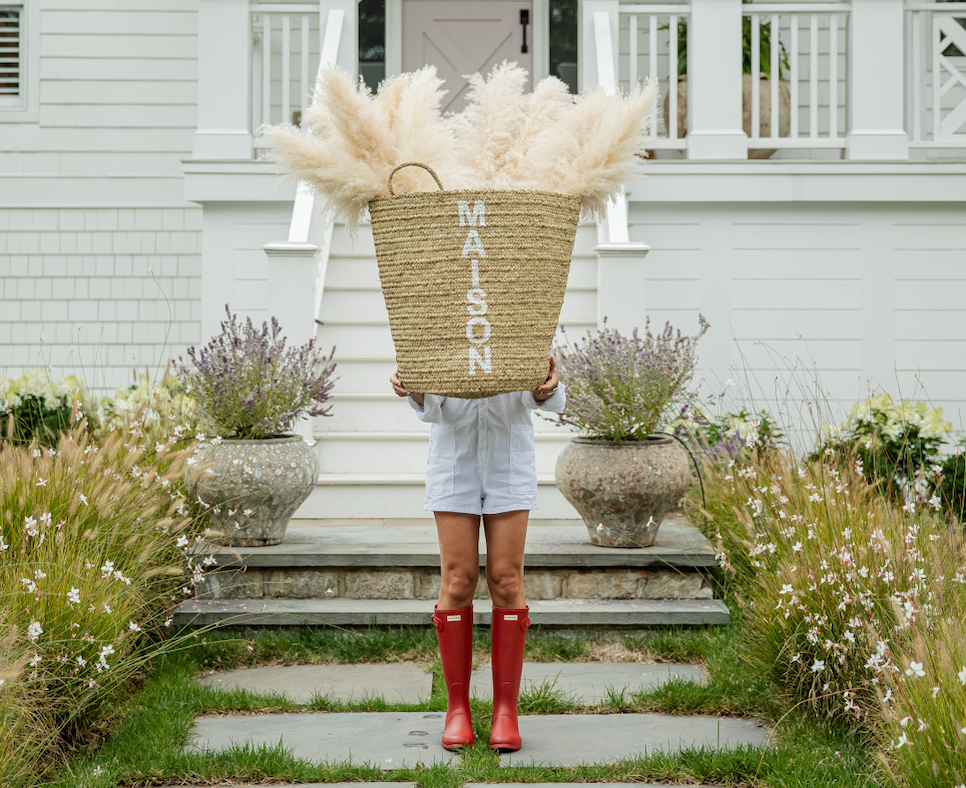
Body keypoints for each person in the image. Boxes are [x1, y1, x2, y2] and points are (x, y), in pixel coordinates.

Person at [390, 358, 564, 752]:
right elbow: (429, 404)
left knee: (506, 579)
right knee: (457, 579)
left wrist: (547, 387)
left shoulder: (517, 315)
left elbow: (544, 392)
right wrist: (414, 389)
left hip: (509, 458)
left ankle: (506, 712)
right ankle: (457, 712)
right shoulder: (444, 316)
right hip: (454, 458)